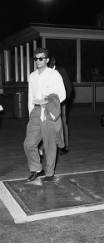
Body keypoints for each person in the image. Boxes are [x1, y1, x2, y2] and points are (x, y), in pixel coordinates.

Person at [24, 48, 66, 182]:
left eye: (41, 58)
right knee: (29, 143)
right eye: (36, 59)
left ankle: (49, 173)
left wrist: (48, 100)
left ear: (47, 60)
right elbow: (30, 96)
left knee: (49, 144)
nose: (38, 61)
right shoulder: (32, 76)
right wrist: (31, 112)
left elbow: (63, 94)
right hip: (36, 111)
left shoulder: (54, 74)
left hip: (49, 110)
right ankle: (37, 169)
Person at [49, 57, 73, 154]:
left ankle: (65, 146)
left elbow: (69, 87)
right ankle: (50, 145)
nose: (48, 63)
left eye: (50, 61)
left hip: (61, 101)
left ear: (54, 61)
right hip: (49, 102)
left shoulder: (61, 71)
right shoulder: (46, 72)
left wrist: (63, 101)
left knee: (62, 122)